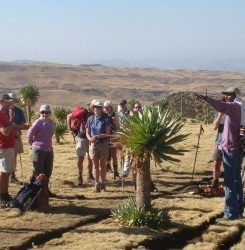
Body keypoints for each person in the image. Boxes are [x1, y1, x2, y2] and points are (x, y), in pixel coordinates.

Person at [194, 87, 244, 221]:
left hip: (231, 149)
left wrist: (205, 99)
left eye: (228, 95)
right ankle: (238, 211)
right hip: (237, 149)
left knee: (230, 182)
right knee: (236, 180)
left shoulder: (234, 107)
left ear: (234, 96)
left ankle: (231, 214)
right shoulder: (240, 107)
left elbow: (220, 105)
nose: (226, 97)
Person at [86, 101, 111, 192]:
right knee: (95, 165)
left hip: (103, 143)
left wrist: (97, 136)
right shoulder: (91, 119)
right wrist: (89, 139)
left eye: (98, 107)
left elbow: (107, 133)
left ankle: (103, 184)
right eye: (94, 108)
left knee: (103, 165)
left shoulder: (106, 118)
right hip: (93, 144)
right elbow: (87, 131)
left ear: (101, 108)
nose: (96, 109)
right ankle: (97, 185)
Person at [67, 104, 93, 185]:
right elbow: (69, 116)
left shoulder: (98, 113)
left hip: (92, 138)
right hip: (82, 137)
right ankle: (79, 177)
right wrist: (69, 128)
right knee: (80, 158)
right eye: (93, 106)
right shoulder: (83, 112)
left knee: (91, 157)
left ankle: (89, 175)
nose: (95, 108)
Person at [27, 105, 54, 182]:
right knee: (38, 172)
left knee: (48, 171)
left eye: (46, 112)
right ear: (40, 113)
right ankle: (37, 191)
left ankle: (45, 190)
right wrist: (35, 146)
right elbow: (29, 137)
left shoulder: (51, 122)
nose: (44, 114)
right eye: (42, 112)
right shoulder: (37, 123)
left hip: (49, 150)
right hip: (38, 150)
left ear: (50, 113)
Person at [8, 93, 30, 184]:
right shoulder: (3, 111)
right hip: (4, 136)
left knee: (14, 156)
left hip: (15, 136)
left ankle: (12, 176)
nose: (11, 102)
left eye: (13, 100)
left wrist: (18, 128)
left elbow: (22, 124)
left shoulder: (19, 111)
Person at [0, 94, 16, 206]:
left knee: (7, 172)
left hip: (10, 145)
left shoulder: (6, 114)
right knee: (3, 172)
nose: (10, 104)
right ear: (1, 102)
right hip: (3, 147)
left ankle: (5, 193)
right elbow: (5, 131)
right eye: (7, 102)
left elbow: (9, 129)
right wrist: (11, 119)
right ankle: (1, 195)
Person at [211, 96, 226, 188]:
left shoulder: (232, 113)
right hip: (219, 142)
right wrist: (220, 115)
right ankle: (215, 181)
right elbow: (214, 127)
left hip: (229, 143)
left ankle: (229, 181)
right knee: (216, 163)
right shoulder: (218, 114)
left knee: (228, 164)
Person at [103, 101, 120, 180]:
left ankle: (116, 173)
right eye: (105, 108)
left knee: (114, 154)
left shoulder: (115, 115)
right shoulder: (103, 116)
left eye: (107, 108)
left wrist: (114, 121)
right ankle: (107, 168)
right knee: (106, 154)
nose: (106, 109)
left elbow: (119, 127)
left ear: (111, 108)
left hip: (114, 136)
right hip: (105, 136)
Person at [117, 100, 132, 177]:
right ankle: (122, 169)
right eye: (120, 105)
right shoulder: (118, 114)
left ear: (126, 105)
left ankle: (126, 171)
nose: (122, 106)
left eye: (123, 105)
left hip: (129, 135)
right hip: (121, 135)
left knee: (128, 152)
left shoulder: (130, 113)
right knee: (120, 152)